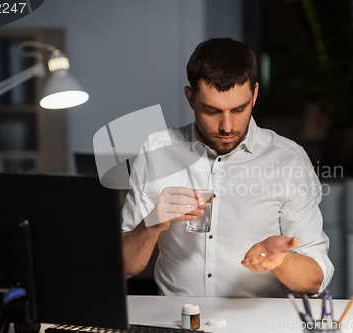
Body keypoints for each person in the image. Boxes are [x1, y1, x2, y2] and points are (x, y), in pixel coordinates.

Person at [121, 38, 333, 297]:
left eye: (239, 109)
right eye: (212, 110)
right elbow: (123, 266)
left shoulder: (288, 160)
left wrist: (283, 261)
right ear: (191, 98)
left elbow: (315, 280)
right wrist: (151, 225)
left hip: (256, 323)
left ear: (254, 95)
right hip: (175, 321)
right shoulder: (156, 151)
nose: (227, 126)